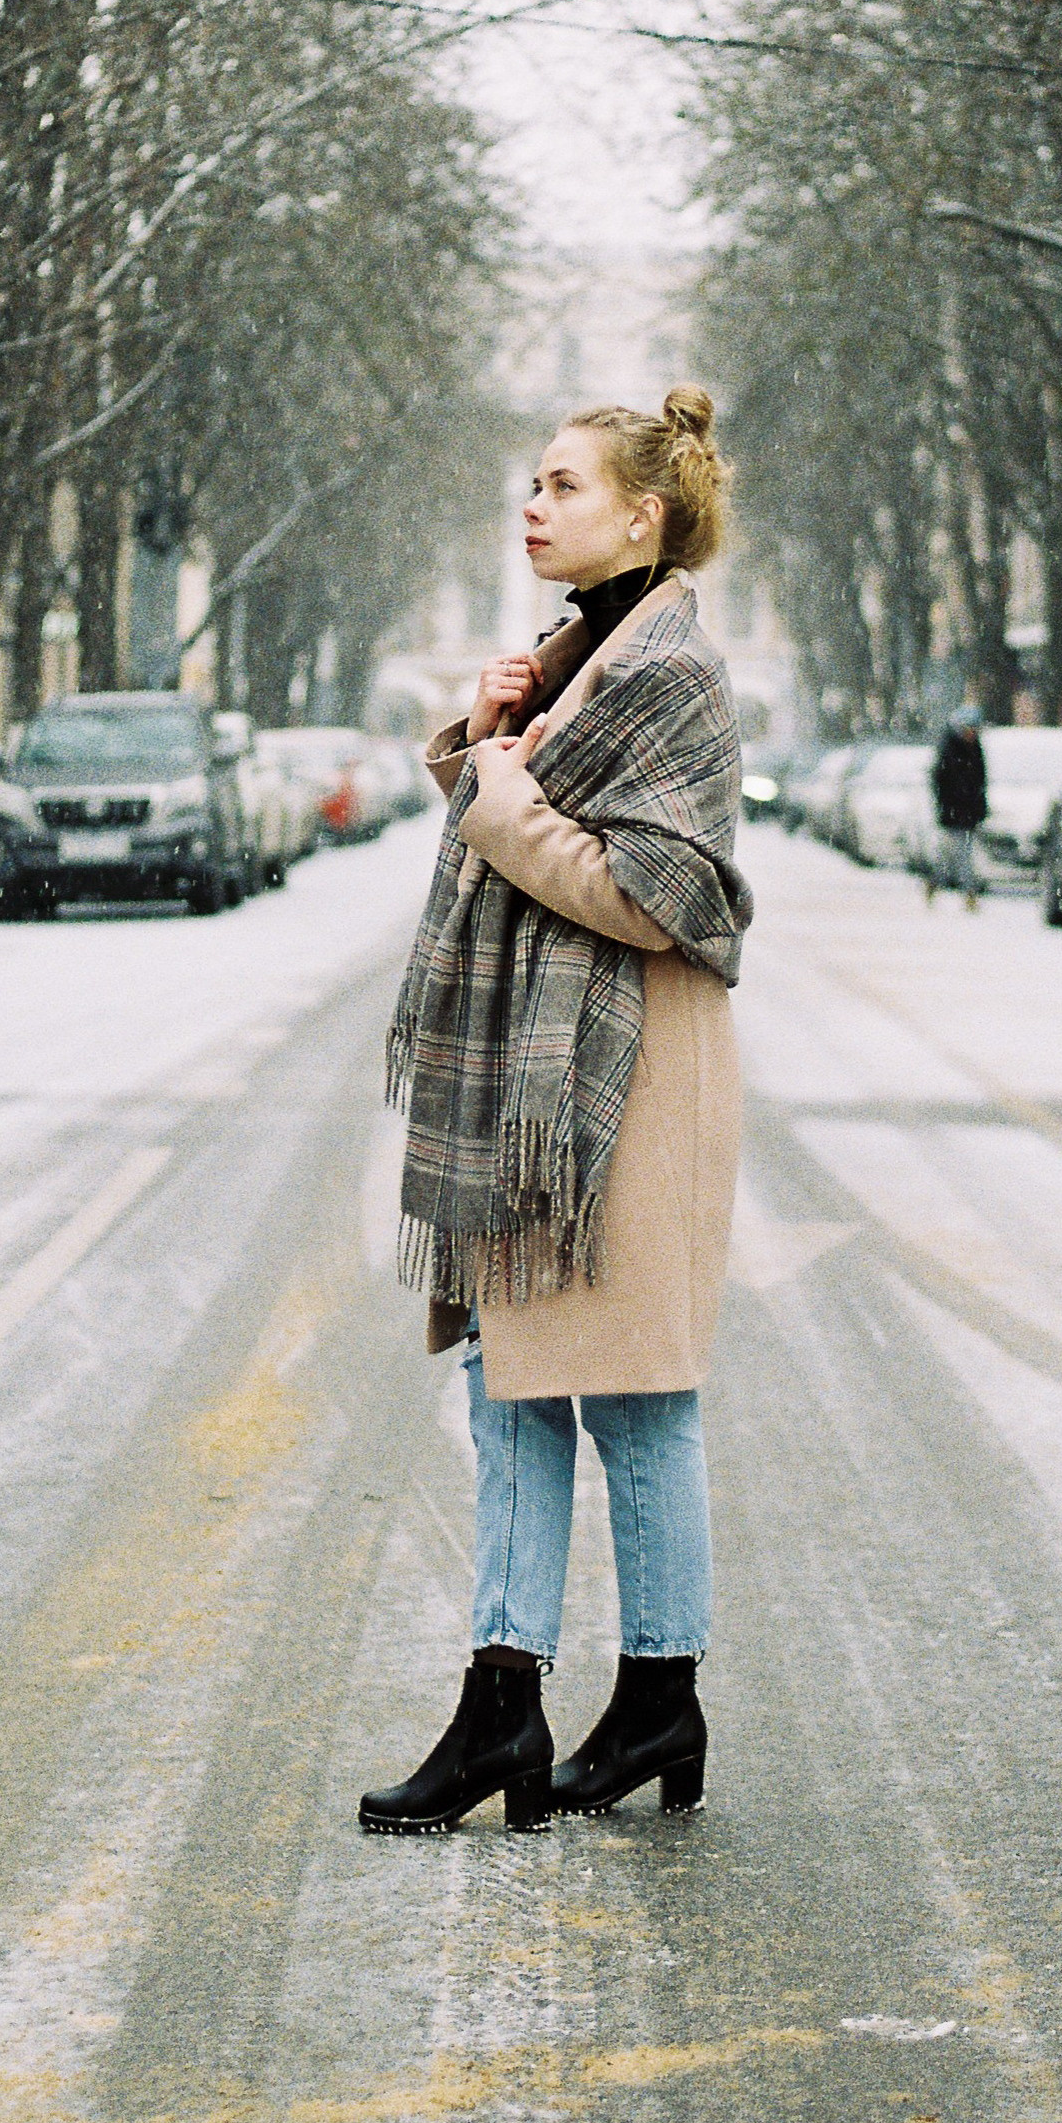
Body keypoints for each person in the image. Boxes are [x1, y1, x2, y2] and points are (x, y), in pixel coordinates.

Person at [361, 389, 752, 1838]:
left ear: (644, 513)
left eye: (565, 485)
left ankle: (656, 1694)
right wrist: (488, 737)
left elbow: (660, 892)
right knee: (510, 1375)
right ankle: (504, 1697)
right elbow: (513, 825)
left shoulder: (672, 671)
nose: (533, 505)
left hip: (624, 1080)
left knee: (637, 1395)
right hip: (540, 1082)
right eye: (531, 482)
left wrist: (502, 789)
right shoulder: (578, 650)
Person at [930, 704, 988, 911]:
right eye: (969, 729)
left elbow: (980, 781)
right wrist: (947, 806)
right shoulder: (949, 749)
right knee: (958, 854)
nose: (972, 733)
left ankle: (937, 883)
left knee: (955, 855)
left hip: (969, 812)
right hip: (953, 812)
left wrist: (980, 806)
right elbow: (940, 781)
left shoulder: (976, 749)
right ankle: (968, 892)